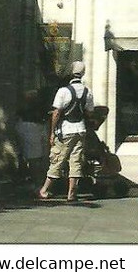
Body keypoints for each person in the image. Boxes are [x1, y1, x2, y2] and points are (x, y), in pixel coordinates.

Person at [39, 62, 94, 202]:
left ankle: (45, 189)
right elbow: (89, 112)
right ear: (83, 73)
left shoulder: (63, 91)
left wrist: (52, 132)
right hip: (80, 129)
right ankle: (71, 193)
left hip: (65, 130)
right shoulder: (87, 92)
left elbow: (56, 112)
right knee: (76, 161)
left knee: (57, 159)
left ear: (70, 73)